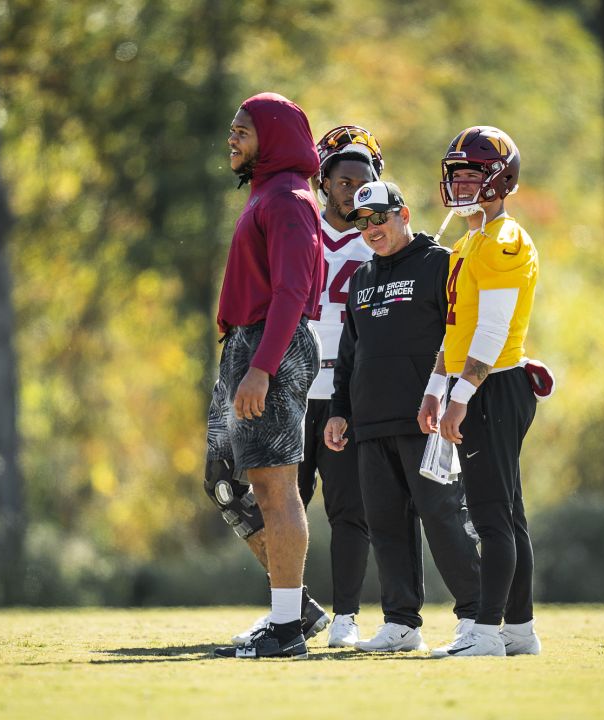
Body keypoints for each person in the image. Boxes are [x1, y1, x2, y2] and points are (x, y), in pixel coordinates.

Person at [222, 126, 383, 650]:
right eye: (342, 179)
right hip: (294, 383)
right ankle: (290, 609)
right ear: (324, 178)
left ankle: (346, 615)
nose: (353, 191)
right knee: (273, 497)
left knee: (347, 507)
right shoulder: (300, 217)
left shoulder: (382, 237)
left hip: (346, 389)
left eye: (364, 181)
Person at [324, 180, 482, 653]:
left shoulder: (439, 264)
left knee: (442, 516)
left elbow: (461, 335)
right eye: (362, 221)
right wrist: (339, 412)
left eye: (380, 218)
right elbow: (350, 355)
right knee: (385, 523)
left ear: (404, 213)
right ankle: (401, 623)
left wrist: (453, 397)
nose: (371, 229)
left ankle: (476, 617)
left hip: (425, 420)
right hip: (371, 424)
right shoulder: (362, 278)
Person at [209, 92, 325, 660]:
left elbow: (292, 293)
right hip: (248, 345)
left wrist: (261, 368)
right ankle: (294, 610)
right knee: (227, 478)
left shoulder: (287, 200)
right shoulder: (266, 194)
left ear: (273, 137)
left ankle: (287, 628)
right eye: (232, 130)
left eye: (243, 131)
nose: (232, 138)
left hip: (269, 348)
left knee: (277, 489)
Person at [417, 126, 541, 658]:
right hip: (476, 382)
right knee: (508, 514)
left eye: (472, 174)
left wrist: (461, 396)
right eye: (456, 175)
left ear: (500, 179)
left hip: (494, 384)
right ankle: (519, 631)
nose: (461, 184)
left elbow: (490, 334)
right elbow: (456, 329)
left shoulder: (504, 239)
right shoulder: (469, 241)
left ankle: (487, 631)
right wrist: (432, 390)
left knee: (491, 515)